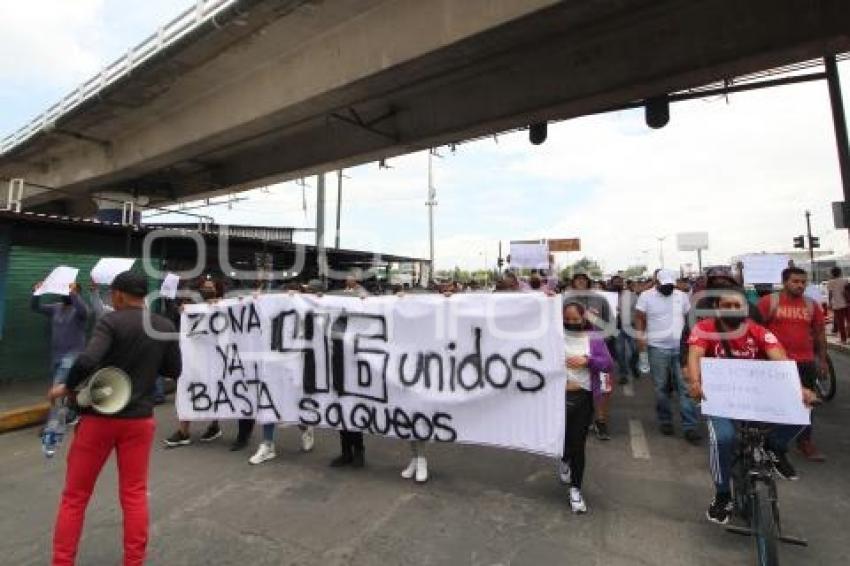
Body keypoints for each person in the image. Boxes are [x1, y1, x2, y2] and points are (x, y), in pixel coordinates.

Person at [49, 271, 181, 565]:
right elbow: (175, 370)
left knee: (75, 497)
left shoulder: (111, 321)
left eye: (112, 294)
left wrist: (68, 389)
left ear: (120, 294)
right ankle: (134, 561)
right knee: (134, 495)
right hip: (139, 422)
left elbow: (86, 360)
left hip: (98, 420)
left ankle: (62, 561)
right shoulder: (163, 324)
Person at [687, 287, 815, 524]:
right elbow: (694, 354)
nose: (733, 310)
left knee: (803, 408)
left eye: (738, 306)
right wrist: (695, 382)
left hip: (756, 395)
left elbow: (780, 359)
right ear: (717, 308)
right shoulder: (704, 328)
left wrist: (799, 389)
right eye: (727, 305)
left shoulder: (758, 330)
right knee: (722, 439)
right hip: (719, 398)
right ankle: (723, 495)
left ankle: (776, 447)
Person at [163, 277, 252, 450]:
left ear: (218, 290)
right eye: (204, 287)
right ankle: (183, 431)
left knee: (216, 389)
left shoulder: (224, 306)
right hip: (193, 357)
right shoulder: (190, 306)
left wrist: (220, 305)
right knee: (187, 387)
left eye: (211, 287)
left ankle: (214, 425)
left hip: (216, 358)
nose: (207, 290)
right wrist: (183, 310)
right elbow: (173, 314)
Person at [757, 267, 827, 462]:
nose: (800, 285)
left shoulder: (811, 305)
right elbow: (755, 331)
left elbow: (820, 334)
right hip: (775, 364)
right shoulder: (768, 302)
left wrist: (821, 359)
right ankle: (769, 443)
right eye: (795, 281)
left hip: (805, 362)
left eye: (803, 282)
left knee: (806, 403)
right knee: (774, 403)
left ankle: (805, 441)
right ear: (784, 282)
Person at [558, 301, 614, 513]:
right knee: (562, 438)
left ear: (584, 319)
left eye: (575, 319)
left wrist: (588, 361)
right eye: (567, 319)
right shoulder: (554, 336)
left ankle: (575, 489)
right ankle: (564, 459)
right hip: (556, 398)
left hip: (583, 397)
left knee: (578, 443)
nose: (571, 322)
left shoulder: (594, 338)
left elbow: (607, 364)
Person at [635, 269, 700, 443]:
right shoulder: (646, 297)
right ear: (656, 283)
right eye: (664, 286)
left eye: (671, 285)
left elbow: (689, 318)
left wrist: (693, 340)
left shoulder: (682, 296)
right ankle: (665, 420)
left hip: (681, 349)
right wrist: (640, 339)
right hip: (657, 348)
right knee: (661, 387)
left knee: (685, 387)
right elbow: (640, 318)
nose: (668, 289)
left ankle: (690, 426)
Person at [32, 280, 90, 426]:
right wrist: (36, 293)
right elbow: (35, 307)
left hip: (73, 355)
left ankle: (53, 422)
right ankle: (74, 413)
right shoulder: (55, 308)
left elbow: (84, 311)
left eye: (72, 290)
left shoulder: (80, 310)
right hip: (57, 355)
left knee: (57, 386)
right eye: (66, 289)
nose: (67, 292)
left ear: (77, 293)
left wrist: (74, 294)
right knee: (68, 387)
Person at [826, 266, 848, 344]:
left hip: (837, 305)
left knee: (841, 323)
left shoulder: (830, 282)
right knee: (848, 321)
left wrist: (829, 303)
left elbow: (830, 294)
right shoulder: (845, 280)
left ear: (832, 274)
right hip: (847, 304)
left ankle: (843, 339)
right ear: (840, 273)